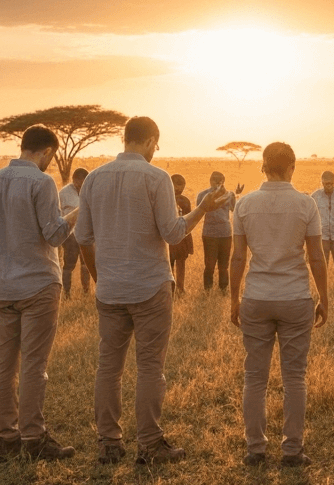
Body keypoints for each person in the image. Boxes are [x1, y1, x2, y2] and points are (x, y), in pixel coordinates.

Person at [76, 117, 230, 465]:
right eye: (156, 145)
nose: (156, 151)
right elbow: (174, 233)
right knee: (149, 367)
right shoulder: (156, 177)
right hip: (149, 286)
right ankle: (149, 442)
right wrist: (203, 211)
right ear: (150, 141)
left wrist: (100, 276)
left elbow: (83, 237)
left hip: (111, 288)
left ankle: (108, 443)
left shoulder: (94, 179)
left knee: (108, 367)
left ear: (124, 139)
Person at [0, 124, 78, 460]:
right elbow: (54, 235)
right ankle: (34, 438)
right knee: (35, 364)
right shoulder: (42, 181)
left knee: (4, 365)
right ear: (48, 151)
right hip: (38, 283)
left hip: (2, 285)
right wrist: (78, 212)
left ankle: (6, 439)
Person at [229, 143, 329, 466]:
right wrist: (324, 298)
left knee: (254, 377)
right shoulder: (306, 204)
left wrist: (234, 298)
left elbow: (238, 258)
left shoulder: (244, 205)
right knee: (294, 377)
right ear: (292, 167)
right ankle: (292, 450)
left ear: (263, 166)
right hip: (295, 297)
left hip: (256, 296)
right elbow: (316, 255)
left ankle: (255, 448)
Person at [197, 171, 241, 291]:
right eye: (214, 180)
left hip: (225, 233)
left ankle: (223, 288)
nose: (217, 182)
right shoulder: (203, 195)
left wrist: (236, 195)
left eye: (220, 180)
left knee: (224, 265)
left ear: (223, 181)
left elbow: (235, 210)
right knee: (209, 264)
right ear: (210, 180)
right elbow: (199, 212)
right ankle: (208, 289)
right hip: (209, 233)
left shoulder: (229, 195)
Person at [58, 168, 91, 297]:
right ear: (74, 180)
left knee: (86, 264)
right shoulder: (64, 193)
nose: (81, 186)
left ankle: (86, 292)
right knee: (68, 265)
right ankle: (66, 294)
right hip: (69, 235)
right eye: (79, 183)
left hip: (86, 234)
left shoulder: (90, 191)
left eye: (84, 183)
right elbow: (59, 214)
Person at [169, 174, 194, 294]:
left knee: (179, 264)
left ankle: (180, 288)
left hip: (181, 238)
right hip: (169, 238)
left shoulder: (185, 201)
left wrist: (189, 241)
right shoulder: (165, 199)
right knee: (170, 265)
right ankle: (173, 288)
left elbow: (189, 222)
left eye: (182, 188)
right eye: (177, 187)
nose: (179, 190)